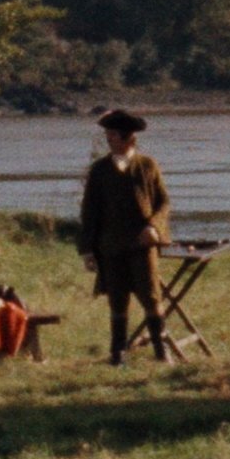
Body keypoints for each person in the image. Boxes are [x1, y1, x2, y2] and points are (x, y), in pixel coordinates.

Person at [76, 107, 173, 365]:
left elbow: (163, 203)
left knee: (151, 297)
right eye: (107, 136)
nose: (109, 140)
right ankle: (118, 354)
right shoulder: (99, 170)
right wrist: (87, 250)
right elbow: (89, 211)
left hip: (143, 245)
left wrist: (154, 227)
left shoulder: (147, 166)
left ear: (129, 138)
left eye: (113, 136)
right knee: (117, 300)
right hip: (110, 247)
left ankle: (162, 351)